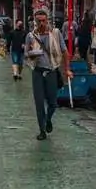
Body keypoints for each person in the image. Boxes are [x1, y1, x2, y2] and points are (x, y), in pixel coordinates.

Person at [25, 8, 71, 141]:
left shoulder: (55, 33)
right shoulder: (30, 36)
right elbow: (26, 54)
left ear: (47, 20)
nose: (41, 23)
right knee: (39, 103)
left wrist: (67, 69)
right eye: (38, 21)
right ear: (35, 21)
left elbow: (65, 52)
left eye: (43, 21)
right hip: (37, 72)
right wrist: (32, 54)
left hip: (51, 71)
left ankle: (48, 119)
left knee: (53, 103)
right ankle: (42, 130)